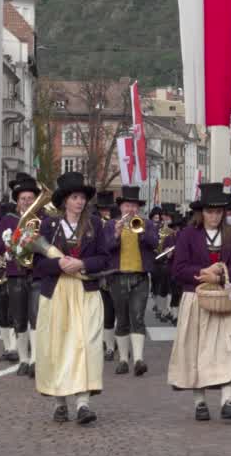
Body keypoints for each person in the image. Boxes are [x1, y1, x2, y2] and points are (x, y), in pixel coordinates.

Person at [168, 183, 231, 421]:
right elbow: (178, 269)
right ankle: (200, 401)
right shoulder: (187, 235)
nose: (214, 216)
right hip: (197, 297)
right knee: (196, 348)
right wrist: (203, 272)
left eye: (218, 211)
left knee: (228, 348)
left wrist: (222, 275)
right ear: (201, 212)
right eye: (210, 211)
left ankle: (227, 399)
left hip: (226, 299)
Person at [33, 172, 109, 425]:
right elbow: (37, 265)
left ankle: (83, 403)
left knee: (87, 345)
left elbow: (105, 259)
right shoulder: (49, 226)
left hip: (86, 293)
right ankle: (59, 402)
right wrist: (58, 265)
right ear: (65, 200)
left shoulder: (95, 225)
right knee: (58, 345)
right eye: (75, 197)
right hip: (57, 292)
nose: (79, 202)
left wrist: (82, 263)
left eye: (82, 198)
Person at [0, 176, 43, 375]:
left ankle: (36, 359)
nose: (27, 202)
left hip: (37, 274)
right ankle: (24, 359)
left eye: (30, 198)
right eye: (23, 199)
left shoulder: (42, 219)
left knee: (36, 317)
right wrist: (7, 239)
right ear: (17, 201)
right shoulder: (8, 220)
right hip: (15, 275)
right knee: (19, 319)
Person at [105, 186, 158, 377]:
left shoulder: (147, 224)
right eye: (127, 205)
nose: (130, 209)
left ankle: (138, 359)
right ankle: (123, 360)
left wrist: (141, 231)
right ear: (121, 207)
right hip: (117, 276)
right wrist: (117, 234)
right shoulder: (111, 225)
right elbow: (106, 248)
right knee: (122, 318)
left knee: (138, 317)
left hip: (140, 276)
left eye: (134, 205)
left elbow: (153, 244)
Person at [92, 190, 119, 361]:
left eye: (108, 210)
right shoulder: (94, 224)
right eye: (102, 210)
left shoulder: (116, 223)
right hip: (101, 273)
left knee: (120, 310)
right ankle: (108, 345)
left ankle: (116, 340)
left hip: (116, 270)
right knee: (104, 311)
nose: (106, 213)